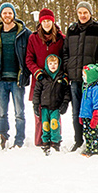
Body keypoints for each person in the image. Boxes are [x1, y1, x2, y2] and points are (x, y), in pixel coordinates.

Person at [63, 3, 98, 151]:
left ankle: (93, 139)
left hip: (90, 79)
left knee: (92, 111)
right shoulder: (72, 29)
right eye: (80, 12)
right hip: (75, 76)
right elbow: (65, 51)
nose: (82, 15)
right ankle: (78, 139)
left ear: (90, 13)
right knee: (77, 112)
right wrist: (68, 66)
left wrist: (97, 70)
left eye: (85, 12)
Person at [0, 3, 29, 150]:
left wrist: (26, 73)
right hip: (1, 80)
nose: (7, 15)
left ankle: (19, 139)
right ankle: (3, 136)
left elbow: (30, 52)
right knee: (1, 113)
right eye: (4, 13)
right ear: (1, 15)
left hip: (17, 80)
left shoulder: (24, 33)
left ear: (14, 14)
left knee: (19, 112)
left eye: (10, 13)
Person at [27, 8, 65, 147]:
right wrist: (37, 72)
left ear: (53, 22)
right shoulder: (33, 38)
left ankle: (55, 139)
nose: (47, 24)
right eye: (44, 21)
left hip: (56, 81)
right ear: (40, 22)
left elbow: (64, 58)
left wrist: (63, 75)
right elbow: (29, 59)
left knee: (55, 112)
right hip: (40, 80)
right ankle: (41, 140)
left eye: (49, 21)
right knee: (39, 113)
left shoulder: (61, 38)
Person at [32, 53, 67, 155]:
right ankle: (45, 141)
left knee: (54, 124)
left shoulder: (61, 77)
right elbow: (37, 92)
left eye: (55, 64)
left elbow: (66, 92)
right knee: (45, 125)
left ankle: (55, 141)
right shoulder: (42, 77)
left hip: (56, 106)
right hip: (45, 106)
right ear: (47, 64)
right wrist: (35, 104)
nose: (53, 66)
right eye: (50, 63)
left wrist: (64, 103)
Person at [79, 64, 98, 157]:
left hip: (93, 117)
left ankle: (96, 151)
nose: (83, 77)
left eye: (85, 75)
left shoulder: (97, 89)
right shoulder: (86, 88)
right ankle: (89, 149)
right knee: (87, 134)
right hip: (85, 115)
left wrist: (96, 117)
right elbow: (83, 103)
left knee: (94, 135)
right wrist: (81, 115)